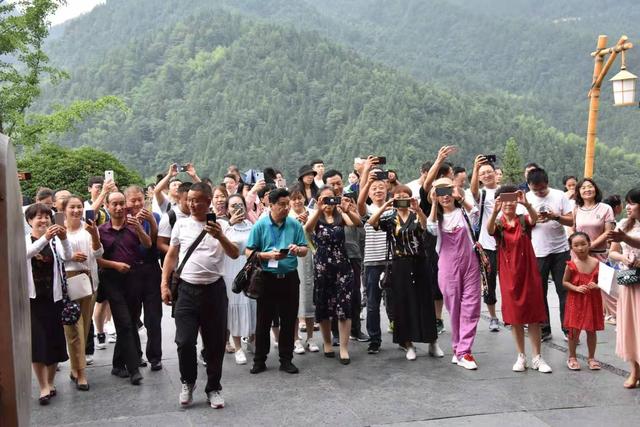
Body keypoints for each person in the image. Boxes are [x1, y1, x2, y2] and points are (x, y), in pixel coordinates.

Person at [161, 182, 239, 408]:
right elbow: (171, 256)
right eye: (189, 200)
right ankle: (188, 381)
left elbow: (234, 254)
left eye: (198, 200)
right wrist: (164, 283)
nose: (193, 204)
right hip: (186, 290)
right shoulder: (181, 225)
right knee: (184, 341)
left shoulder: (222, 225)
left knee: (215, 344)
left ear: (208, 202)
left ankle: (214, 387)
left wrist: (220, 236)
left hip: (214, 290)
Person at [369, 185, 444, 361]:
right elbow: (372, 223)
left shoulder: (416, 214)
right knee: (403, 303)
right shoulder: (390, 217)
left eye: (405, 196)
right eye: (398, 196)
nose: (402, 199)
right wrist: (385, 205)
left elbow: (426, 228)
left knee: (425, 302)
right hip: (399, 264)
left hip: (420, 262)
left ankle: (432, 342)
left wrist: (418, 209)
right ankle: (408, 343)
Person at [487, 187, 552, 373]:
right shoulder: (498, 223)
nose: (508, 203)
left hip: (529, 271)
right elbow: (490, 230)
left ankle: (537, 357)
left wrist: (526, 203)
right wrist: (494, 212)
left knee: (533, 314)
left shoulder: (523, 220)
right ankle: (521, 356)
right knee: (515, 316)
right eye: (504, 200)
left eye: (512, 199)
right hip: (509, 273)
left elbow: (536, 219)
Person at [245, 188, 309, 375]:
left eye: (287, 204)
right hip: (267, 279)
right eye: (281, 204)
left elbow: (305, 249)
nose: (286, 208)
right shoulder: (260, 225)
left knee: (289, 320)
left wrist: (298, 249)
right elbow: (249, 252)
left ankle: (286, 359)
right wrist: (265, 255)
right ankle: (259, 360)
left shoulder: (294, 225)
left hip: (289, 277)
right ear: (270, 205)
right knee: (263, 321)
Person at [97, 191, 152, 385]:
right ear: (107, 206)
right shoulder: (101, 230)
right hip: (112, 281)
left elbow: (148, 244)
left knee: (131, 320)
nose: (119, 208)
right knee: (124, 323)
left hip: (133, 278)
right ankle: (133, 368)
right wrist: (114, 265)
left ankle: (117, 364)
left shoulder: (133, 226)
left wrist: (139, 229)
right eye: (115, 204)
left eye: (122, 204)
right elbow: (96, 258)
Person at [427, 178, 481, 370]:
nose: (445, 195)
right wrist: (433, 203)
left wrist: (462, 198)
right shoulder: (437, 217)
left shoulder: (463, 212)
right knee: (454, 308)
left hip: (470, 263)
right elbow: (431, 228)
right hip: (448, 265)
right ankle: (458, 349)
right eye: (440, 191)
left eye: (448, 190)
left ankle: (464, 351)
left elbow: (476, 215)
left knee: (472, 306)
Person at [305, 186, 361, 364]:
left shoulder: (340, 215)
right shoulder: (316, 216)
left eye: (331, 198)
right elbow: (307, 229)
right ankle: (327, 343)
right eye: (324, 198)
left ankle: (344, 347)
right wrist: (318, 209)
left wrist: (346, 210)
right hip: (322, 267)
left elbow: (356, 223)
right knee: (323, 305)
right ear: (319, 199)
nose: (329, 201)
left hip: (343, 266)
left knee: (344, 306)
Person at [25, 203, 72, 405]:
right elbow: (25, 254)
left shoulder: (54, 242)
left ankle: (51, 382)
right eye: (39, 217)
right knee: (37, 343)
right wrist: (46, 237)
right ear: (29, 221)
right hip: (33, 300)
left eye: (47, 217)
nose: (44, 220)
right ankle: (42, 386)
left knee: (54, 341)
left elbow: (67, 256)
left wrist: (63, 238)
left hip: (54, 299)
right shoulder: (25, 241)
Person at [525, 168, 574, 341]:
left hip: (560, 250)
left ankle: (568, 328)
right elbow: (521, 224)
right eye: (535, 189)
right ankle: (544, 328)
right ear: (529, 185)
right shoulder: (526, 199)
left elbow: (571, 220)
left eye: (542, 189)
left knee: (564, 290)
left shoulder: (560, 195)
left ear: (548, 183)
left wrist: (555, 217)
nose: (539, 192)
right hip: (537, 251)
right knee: (539, 292)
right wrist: (533, 218)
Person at [62, 195, 104, 390]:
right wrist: (71, 257)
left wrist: (94, 234)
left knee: (84, 328)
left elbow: (98, 254)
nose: (76, 211)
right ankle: (81, 373)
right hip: (67, 284)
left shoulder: (88, 229)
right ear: (64, 209)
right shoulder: (58, 231)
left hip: (88, 282)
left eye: (79, 207)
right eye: (72, 207)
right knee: (73, 330)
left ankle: (75, 368)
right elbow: (54, 257)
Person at [325, 169, 368, 342]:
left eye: (338, 183)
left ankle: (356, 329)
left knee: (355, 293)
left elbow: (359, 222)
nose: (336, 187)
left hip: (352, 252)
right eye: (332, 184)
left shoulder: (350, 198)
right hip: (332, 254)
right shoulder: (322, 201)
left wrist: (348, 208)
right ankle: (336, 333)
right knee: (334, 294)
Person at [357, 156, 394, 354]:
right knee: (372, 304)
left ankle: (401, 334)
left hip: (392, 261)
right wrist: (368, 179)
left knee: (396, 301)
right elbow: (360, 201)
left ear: (387, 188)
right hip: (371, 262)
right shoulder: (367, 210)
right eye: (374, 189)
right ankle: (374, 339)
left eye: (381, 187)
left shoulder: (394, 207)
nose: (378, 190)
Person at [124, 185, 164, 371]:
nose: (138, 203)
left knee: (154, 317)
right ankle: (136, 356)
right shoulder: (122, 219)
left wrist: (152, 223)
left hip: (151, 269)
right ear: (126, 202)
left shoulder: (154, 217)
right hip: (131, 271)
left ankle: (155, 357)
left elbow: (155, 246)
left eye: (140, 199)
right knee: (132, 317)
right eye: (133, 200)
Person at [608, 187, 640, 389]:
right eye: (627, 203)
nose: (628, 207)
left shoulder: (626, 233)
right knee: (630, 326)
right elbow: (612, 253)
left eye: (633, 203)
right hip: (630, 282)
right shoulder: (623, 225)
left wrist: (625, 240)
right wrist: (625, 258)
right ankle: (635, 369)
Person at [572, 178, 616, 324]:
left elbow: (608, 232)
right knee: (582, 287)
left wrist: (590, 247)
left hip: (600, 254)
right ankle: (585, 318)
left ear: (595, 189)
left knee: (606, 288)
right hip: (579, 256)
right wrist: (580, 249)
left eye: (590, 186)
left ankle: (617, 317)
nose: (587, 189)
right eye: (583, 188)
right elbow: (574, 231)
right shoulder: (576, 209)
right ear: (579, 192)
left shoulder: (605, 208)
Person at [223, 194, 257, 365]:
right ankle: (237, 347)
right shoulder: (225, 227)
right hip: (232, 270)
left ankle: (252, 339)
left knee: (252, 304)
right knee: (235, 305)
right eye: (233, 205)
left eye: (240, 204)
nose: (237, 208)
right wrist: (230, 224)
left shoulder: (251, 225)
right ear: (227, 210)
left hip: (250, 270)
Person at [562, 232, 603, 371]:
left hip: (592, 301)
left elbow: (603, 282)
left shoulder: (597, 263)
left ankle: (591, 357)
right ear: (571, 248)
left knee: (591, 330)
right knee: (574, 330)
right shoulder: (571, 264)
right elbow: (565, 282)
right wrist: (576, 288)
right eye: (576, 245)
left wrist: (598, 286)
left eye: (583, 244)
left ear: (589, 244)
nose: (580, 248)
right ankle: (572, 357)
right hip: (576, 300)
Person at [470, 155, 501, 331]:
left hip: (507, 244)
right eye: (483, 173)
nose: (487, 175)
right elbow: (473, 192)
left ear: (496, 173)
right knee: (489, 282)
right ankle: (493, 317)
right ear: (480, 177)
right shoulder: (481, 193)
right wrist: (475, 168)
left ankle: (514, 315)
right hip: (487, 245)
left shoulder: (505, 191)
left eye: (489, 171)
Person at [288, 188, 319, 354]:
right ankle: (295, 339)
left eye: (299, 198)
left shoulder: (313, 212)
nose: (297, 202)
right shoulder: (287, 217)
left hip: (311, 258)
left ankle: (310, 337)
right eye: (293, 199)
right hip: (294, 260)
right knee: (294, 298)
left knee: (309, 296)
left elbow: (318, 233)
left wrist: (310, 222)